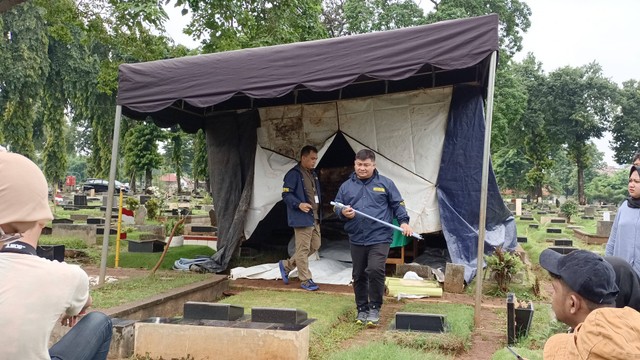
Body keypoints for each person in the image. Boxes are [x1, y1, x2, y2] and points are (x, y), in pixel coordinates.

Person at [0, 152, 113, 360]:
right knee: (99, 321)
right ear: (42, 220)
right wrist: (72, 309)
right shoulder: (67, 276)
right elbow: (86, 302)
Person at [334, 149, 413, 326]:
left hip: (379, 236)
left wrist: (404, 222)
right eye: (359, 165)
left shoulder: (385, 183)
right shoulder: (346, 186)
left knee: (375, 269)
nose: (362, 168)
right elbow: (336, 206)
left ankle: (375, 306)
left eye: (366, 165)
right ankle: (362, 308)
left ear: (373, 165)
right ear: (355, 164)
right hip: (357, 236)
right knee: (359, 274)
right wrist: (342, 212)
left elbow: (398, 204)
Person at [539, 249, 640, 359]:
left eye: (554, 289)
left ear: (573, 304)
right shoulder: (632, 327)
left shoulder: (582, 351)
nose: (551, 296)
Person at [279, 145, 322, 291]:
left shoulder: (313, 173)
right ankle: (305, 279)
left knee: (315, 245)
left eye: (315, 159)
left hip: (313, 216)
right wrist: (299, 204)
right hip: (301, 217)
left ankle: (287, 265)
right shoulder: (293, 174)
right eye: (311, 158)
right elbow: (286, 195)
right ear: (303, 158)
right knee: (303, 249)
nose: (314, 161)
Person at [605, 165, 640, 277]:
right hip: (621, 273)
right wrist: (607, 263)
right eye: (630, 181)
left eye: (637, 181)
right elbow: (613, 239)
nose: (631, 185)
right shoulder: (624, 207)